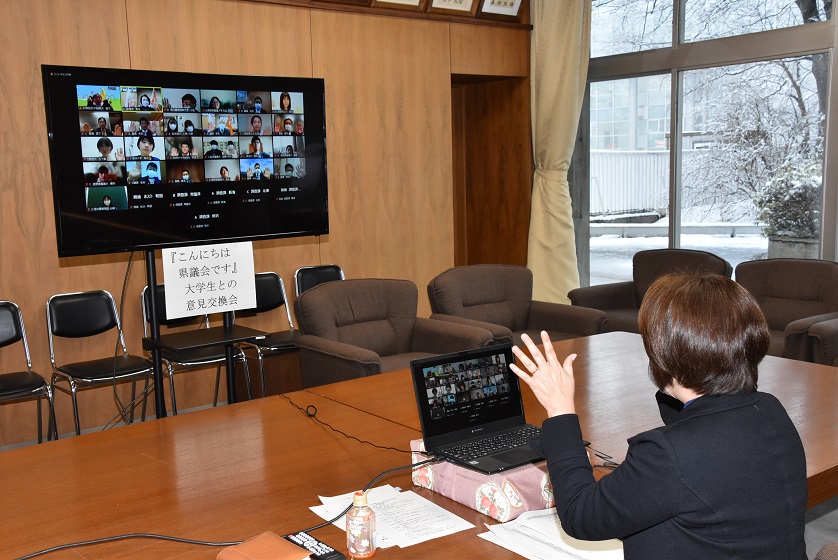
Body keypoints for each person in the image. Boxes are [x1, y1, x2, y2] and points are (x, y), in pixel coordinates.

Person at [511, 273, 807, 559]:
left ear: (665, 355)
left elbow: (580, 516)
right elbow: (700, 445)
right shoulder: (770, 409)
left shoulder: (668, 454)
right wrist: (676, 382)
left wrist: (560, 408)